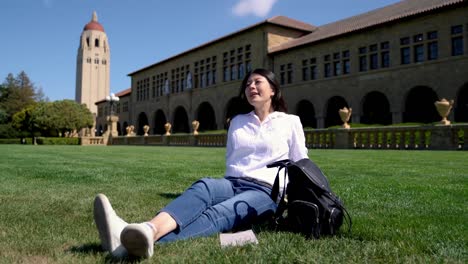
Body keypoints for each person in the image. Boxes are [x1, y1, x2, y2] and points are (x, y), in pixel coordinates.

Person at [93, 68, 309, 258]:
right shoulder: (237, 121)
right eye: (247, 84)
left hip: (266, 192)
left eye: (257, 82)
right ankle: (148, 229)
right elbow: (232, 159)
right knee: (204, 186)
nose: (251, 86)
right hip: (233, 182)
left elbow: (302, 164)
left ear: (273, 89)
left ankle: (127, 243)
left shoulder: (290, 122)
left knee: (218, 213)